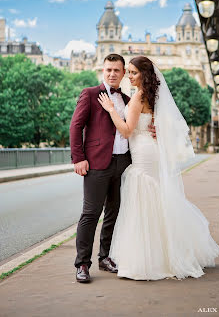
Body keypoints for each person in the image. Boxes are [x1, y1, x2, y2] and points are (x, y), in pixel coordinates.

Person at [98, 56, 219, 280]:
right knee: (157, 197)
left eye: (134, 72)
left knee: (146, 198)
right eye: (130, 72)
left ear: (144, 75)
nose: (129, 76)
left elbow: (127, 131)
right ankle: (166, 252)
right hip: (149, 148)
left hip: (144, 153)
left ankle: (152, 257)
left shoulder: (137, 98)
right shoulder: (151, 96)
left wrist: (110, 110)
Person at [70, 53, 156, 283]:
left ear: (123, 73)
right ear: (103, 70)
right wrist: (78, 158)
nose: (112, 74)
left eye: (117, 70)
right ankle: (82, 264)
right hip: (97, 163)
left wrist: (153, 130)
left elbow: (135, 126)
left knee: (114, 213)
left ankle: (105, 257)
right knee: (90, 214)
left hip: (124, 163)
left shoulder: (128, 99)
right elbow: (75, 127)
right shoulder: (89, 94)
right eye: (108, 70)